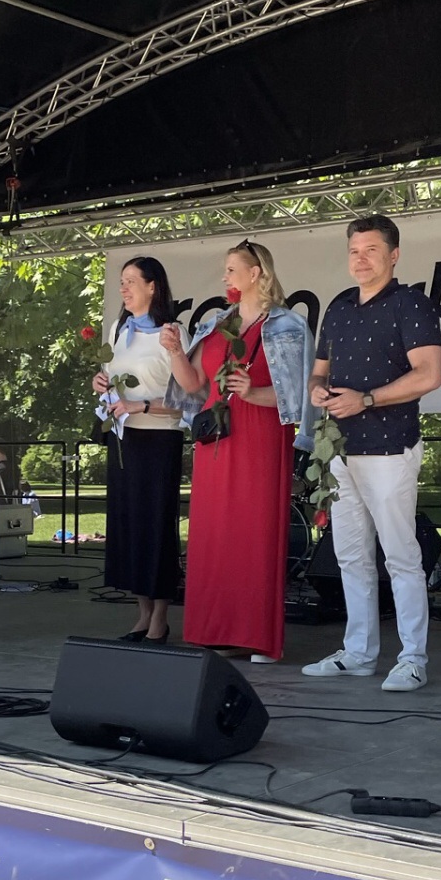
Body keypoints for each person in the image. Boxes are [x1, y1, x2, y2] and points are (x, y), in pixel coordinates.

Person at [301, 214, 441, 692]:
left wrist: (366, 399)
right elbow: (319, 371)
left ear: (394, 255)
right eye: (354, 251)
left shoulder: (412, 304)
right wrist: (318, 389)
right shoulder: (339, 307)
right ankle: (359, 652)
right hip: (341, 449)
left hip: (389, 447)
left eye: (371, 250)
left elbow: (429, 374)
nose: (360, 260)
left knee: (401, 556)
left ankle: (413, 658)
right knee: (350, 556)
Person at [162, 240, 311, 663]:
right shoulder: (216, 324)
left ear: (256, 273)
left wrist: (254, 392)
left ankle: (258, 636)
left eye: (231, 269)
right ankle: (216, 631)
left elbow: (300, 395)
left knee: (254, 532)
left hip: (260, 436)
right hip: (216, 439)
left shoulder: (287, 325)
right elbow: (194, 385)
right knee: (214, 534)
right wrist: (175, 352)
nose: (225, 276)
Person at [92, 256, 184, 644]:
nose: (123, 288)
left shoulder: (172, 333)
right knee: (128, 526)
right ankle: (142, 612)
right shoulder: (119, 328)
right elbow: (114, 379)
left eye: (131, 281)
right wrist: (101, 383)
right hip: (123, 438)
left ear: (152, 286)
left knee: (155, 526)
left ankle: (160, 615)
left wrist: (141, 405)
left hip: (158, 439)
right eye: (121, 281)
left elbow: (186, 400)